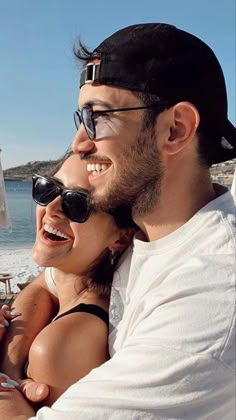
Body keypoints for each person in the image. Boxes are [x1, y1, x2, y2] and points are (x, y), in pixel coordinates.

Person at [0, 22, 236, 419]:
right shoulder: (147, 232)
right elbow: (47, 281)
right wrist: (13, 351)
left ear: (175, 129)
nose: (78, 141)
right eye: (81, 117)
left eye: (99, 117)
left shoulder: (212, 292)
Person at [1, 152, 135, 407]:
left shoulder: (58, 346)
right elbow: (42, 284)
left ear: (121, 238)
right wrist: (11, 362)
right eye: (48, 189)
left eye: (78, 204)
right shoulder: (73, 287)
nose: (51, 209)